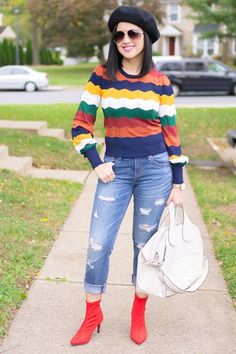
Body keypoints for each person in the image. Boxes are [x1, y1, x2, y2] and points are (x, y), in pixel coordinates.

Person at [70, 5, 188, 346]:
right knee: (97, 244)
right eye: (119, 34)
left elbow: (171, 134)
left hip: (155, 171)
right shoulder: (101, 76)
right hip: (115, 171)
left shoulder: (160, 82)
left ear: (145, 38)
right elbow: (80, 124)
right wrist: (97, 161)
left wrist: (178, 183)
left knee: (144, 247)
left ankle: (139, 312)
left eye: (132, 33)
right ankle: (93, 314)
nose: (125, 40)